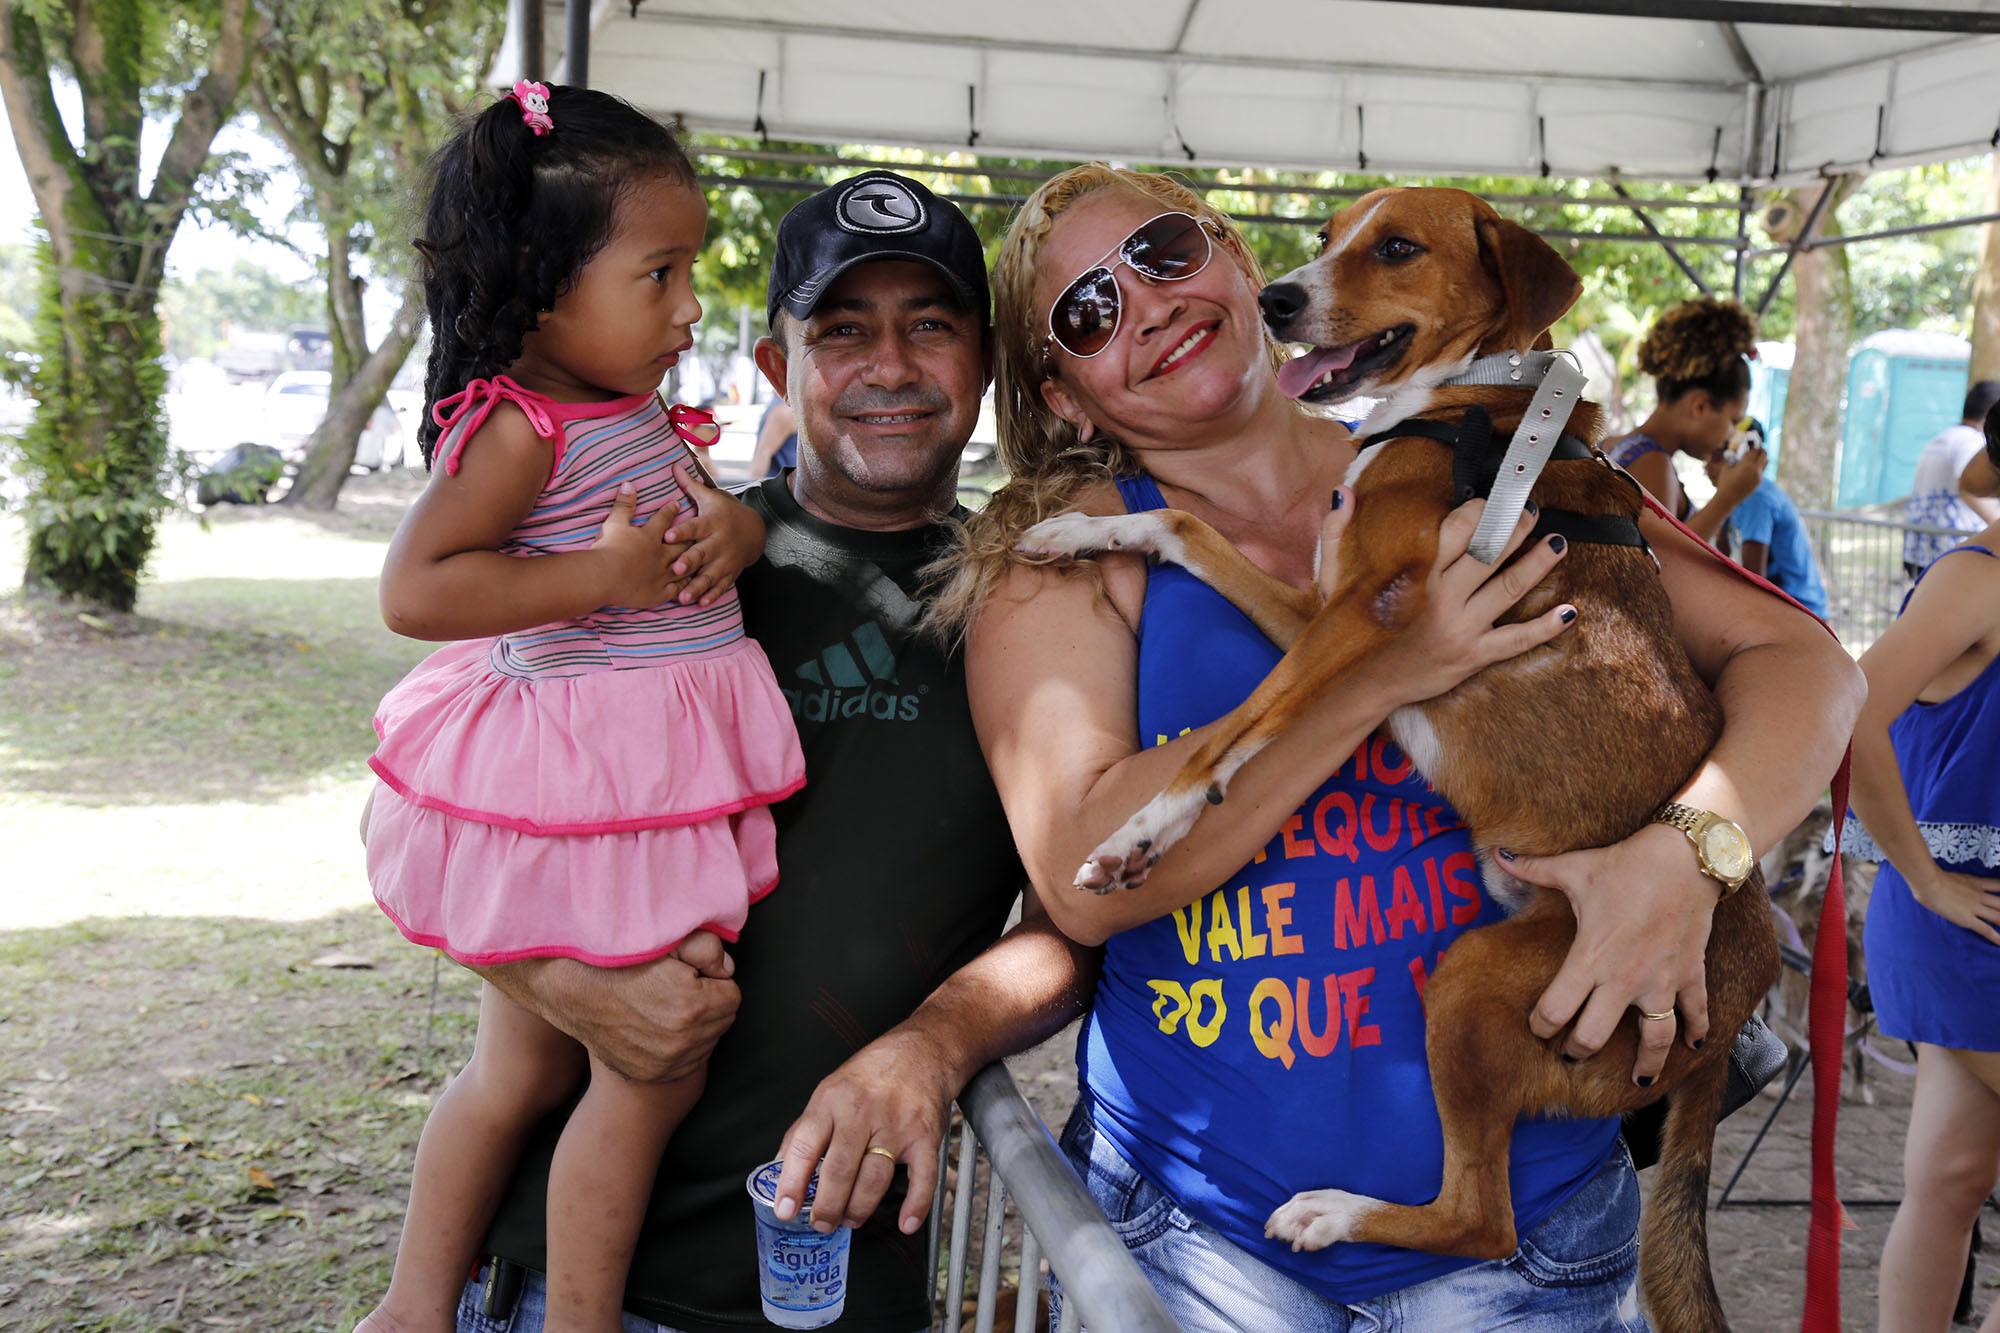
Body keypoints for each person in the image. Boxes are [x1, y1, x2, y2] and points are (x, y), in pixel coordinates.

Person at [930, 164, 1862, 1329]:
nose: (1147, 303)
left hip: (1531, 1245)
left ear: (1226, 254)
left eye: (1164, 253)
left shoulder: (1493, 464)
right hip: (1204, 1247)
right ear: (1063, 395)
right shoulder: (1066, 558)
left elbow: (1814, 669)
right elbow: (1088, 869)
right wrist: (1393, 667)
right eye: (1088, 312)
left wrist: (1689, 848)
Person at [452, 170, 1096, 1333]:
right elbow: (451, 826)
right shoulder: (654, 567)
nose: (889, 367)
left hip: (827, 1290)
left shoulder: (1042, 607)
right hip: (554, 1285)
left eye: (930, 327)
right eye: (841, 330)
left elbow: (1081, 917)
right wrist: (562, 980)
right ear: (772, 370)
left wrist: (930, 1045)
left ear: (984, 368)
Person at [355, 86, 807, 1333]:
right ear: (544, 283)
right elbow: (416, 586)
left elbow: (702, 510)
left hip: (627, 771)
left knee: (525, 1067)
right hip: (600, 784)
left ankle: (411, 1308)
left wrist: (737, 525)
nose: (685, 305)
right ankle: (567, 1320)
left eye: (688, 271)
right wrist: (595, 579)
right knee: (647, 1070)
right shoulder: (516, 429)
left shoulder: (626, 406)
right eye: (657, 273)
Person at [1851, 402, 2000, 1333]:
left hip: (1967, 918)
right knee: (1946, 1180)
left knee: (1949, 1176)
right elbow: (1851, 712)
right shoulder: (1976, 579)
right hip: (1961, 916)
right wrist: (1924, 875)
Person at [1606, 296, 1769, 545]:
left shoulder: (1612, 443)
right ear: (1700, 406)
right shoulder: (1653, 463)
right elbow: (1663, 570)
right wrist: (1727, 499)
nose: (1730, 435)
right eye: (1732, 421)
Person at [1703, 417, 1830, 618]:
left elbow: (1755, 580)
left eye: (1715, 458)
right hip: (1788, 608)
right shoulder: (1737, 495)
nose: (1706, 467)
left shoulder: (1756, 499)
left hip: (1799, 613)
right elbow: (1722, 551)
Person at [1903, 380, 2000, 580]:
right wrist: (1994, 526)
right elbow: (1967, 486)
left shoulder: (1942, 438)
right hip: (1949, 549)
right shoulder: (1972, 442)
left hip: (1919, 548)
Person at [749, 395, 799, 478]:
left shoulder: (783, 408)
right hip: (778, 485)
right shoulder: (784, 410)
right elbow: (763, 454)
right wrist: (753, 488)